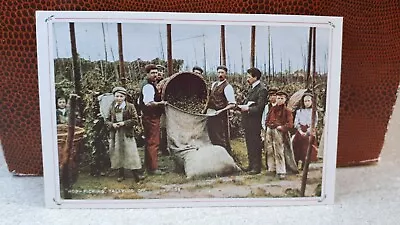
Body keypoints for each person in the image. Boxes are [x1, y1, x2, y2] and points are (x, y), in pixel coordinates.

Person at [105, 87, 144, 182]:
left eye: (121, 96)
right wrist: (112, 125)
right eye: (117, 96)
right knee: (118, 152)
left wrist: (124, 123)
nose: (119, 98)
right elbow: (106, 120)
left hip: (127, 133)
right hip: (116, 134)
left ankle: (136, 174)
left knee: (130, 152)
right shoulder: (112, 107)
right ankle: (121, 173)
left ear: (125, 97)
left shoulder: (130, 106)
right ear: (114, 97)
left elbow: (135, 120)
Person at [239, 68, 268, 175]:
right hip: (248, 120)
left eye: (249, 77)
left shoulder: (262, 89)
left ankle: (257, 167)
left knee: (255, 143)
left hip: (255, 121)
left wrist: (248, 109)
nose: (247, 79)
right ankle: (251, 165)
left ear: (255, 77)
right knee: (249, 142)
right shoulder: (252, 88)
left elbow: (260, 107)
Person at [139, 64, 166, 175]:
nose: (155, 75)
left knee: (149, 141)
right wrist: (161, 103)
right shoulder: (148, 86)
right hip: (151, 117)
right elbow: (149, 103)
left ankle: (149, 165)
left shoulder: (149, 84)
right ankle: (153, 169)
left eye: (156, 72)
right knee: (153, 142)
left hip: (149, 116)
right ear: (147, 74)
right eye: (152, 73)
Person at [204, 65, 236, 155]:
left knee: (220, 137)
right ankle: (215, 157)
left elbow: (232, 104)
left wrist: (221, 111)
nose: (220, 75)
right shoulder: (214, 84)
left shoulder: (227, 87)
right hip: (211, 114)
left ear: (226, 74)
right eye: (218, 72)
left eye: (222, 72)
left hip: (220, 116)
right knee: (212, 135)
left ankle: (225, 156)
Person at [265, 90, 293, 179]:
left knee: (279, 151)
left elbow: (290, 124)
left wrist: (282, 127)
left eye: (282, 98)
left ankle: (281, 171)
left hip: (279, 131)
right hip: (270, 130)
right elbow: (267, 119)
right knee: (269, 150)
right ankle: (271, 168)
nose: (279, 100)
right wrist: (268, 125)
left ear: (285, 100)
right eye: (278, 98)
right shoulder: (272, 109)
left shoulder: (287, 111)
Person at [292, 92, 319, 169]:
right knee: (297, 146)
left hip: (309, 130)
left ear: (311, 101)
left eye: (308, 101)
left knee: (306, 148)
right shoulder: (299, 111)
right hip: (300, 130)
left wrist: (308, 131)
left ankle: (305, 164)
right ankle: (296, 163)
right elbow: (296, 122)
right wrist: (300, 131)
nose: (306, 103)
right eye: (305, 101)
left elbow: (315, 122)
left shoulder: (314, 112)